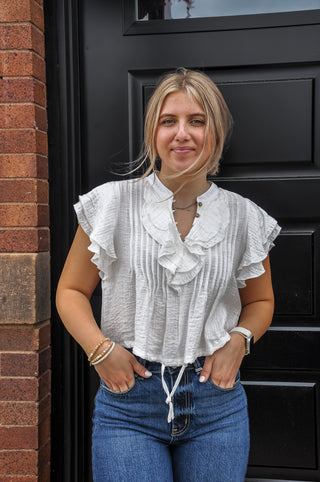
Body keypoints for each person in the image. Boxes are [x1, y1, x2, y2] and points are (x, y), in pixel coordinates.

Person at [56, 68, 281, 482]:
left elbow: (260, 302)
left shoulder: (244, 217)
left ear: (215, 133)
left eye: (197, 121)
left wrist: (240, 341)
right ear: (152, 133)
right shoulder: (111, 204)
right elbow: (70, 291)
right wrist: (100, 351)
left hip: (218, 407)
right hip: (129, 405)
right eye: (169, 121)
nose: (183, 133)